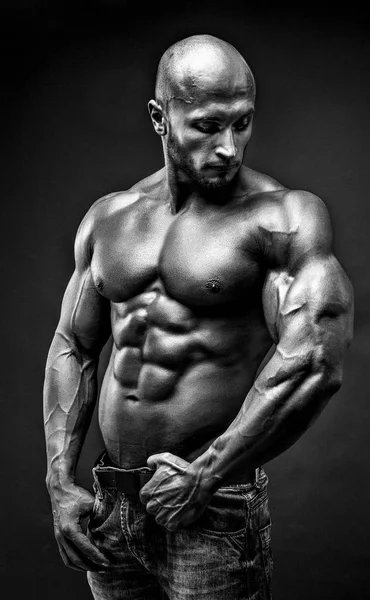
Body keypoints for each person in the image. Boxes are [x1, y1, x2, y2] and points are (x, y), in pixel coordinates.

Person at [43, 34, 354, 600]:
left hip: (210, 505)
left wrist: (208, 473)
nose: (230, 147)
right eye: (209, 126)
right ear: (161, 118)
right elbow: (74, 345)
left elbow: (313, 361)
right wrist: (59, 482)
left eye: (242, 124)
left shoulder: (281, 218)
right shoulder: (111, 218)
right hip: (110, 503)